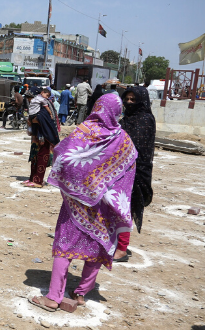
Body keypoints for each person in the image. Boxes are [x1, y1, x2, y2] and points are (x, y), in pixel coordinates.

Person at [30, 94, 137, 311]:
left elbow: (63, 156)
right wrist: (105, 190)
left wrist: (80, 184)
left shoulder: (85, 130)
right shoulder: (123, 139)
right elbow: (128, 173)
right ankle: (80, 293)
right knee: (97, 246)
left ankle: (53, 297)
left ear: (97, 107)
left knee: (63, 246)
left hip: (75, 204)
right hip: (103, 206)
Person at [114, 86, 156, 262]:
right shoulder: (127, 118)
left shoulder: (145, 119)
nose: (129, 102)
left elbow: (136, 146)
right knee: (115, 206)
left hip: (137, 171)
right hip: (120, 169)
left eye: (133, 99)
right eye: (127, 99)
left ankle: (122, 249)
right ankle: (115, 243)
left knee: (126, 209)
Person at [24, 87, 59, 187]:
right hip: (37, 135)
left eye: (30, 98)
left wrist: (33, 120)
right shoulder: (37, 106)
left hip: (44, 136)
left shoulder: (44, 106)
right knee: (34, 156)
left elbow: (46, 120)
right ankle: (32, 178)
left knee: (41, 157)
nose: (29, 100)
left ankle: (38, 181)